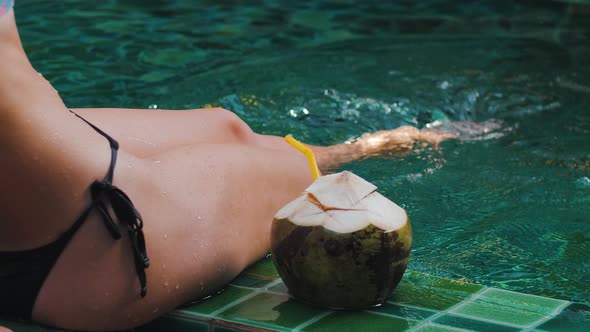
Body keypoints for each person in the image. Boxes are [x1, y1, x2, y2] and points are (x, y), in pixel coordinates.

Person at [0, 2, 499, 331]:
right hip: (85, 241)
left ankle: (348, 150)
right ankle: (348, 152)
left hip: (49, 163)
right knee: (282, 171)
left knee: (225, 126)